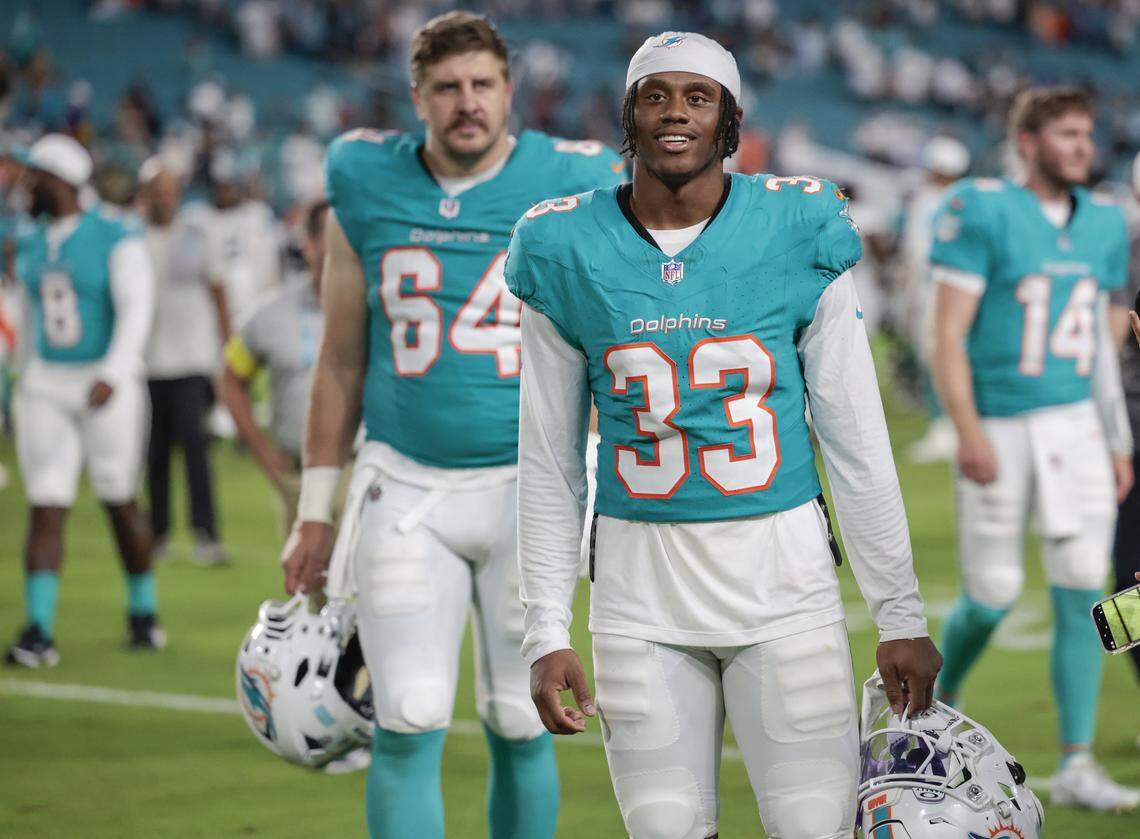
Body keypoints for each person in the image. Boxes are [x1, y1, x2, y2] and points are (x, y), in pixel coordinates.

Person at [507, 32, 940, 838]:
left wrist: (899, 612)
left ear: (730, 121)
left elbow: (855, 438)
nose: (676, 112)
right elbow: (549, 460)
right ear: (629, 116)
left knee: (814, 831)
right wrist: (544, 627)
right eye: (656, 94)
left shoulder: (795, 224)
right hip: (639, 598)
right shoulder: (561, 244)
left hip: (786, 591)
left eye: (697, 96)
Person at [279, 12, 625, 838]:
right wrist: (314, 509)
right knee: (407, 710)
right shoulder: (363, 176)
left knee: (519, 716)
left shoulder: (574, 179)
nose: (467, 103)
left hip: (530, 488)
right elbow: (339, 359)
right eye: (447, 88)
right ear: (418, 97)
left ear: (510, 91)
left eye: (482, 84)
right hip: (405, 485)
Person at [930, 87, 1138, 810]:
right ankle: (932, 707)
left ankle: (1078, 760)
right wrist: (966, 426)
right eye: (1068, 134)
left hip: (1076, 425)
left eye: (1088, 133)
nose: (1083, 146)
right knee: (990, 594)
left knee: (1086, 583)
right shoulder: (982, 208)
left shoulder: (1107, 222)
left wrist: (1114, 435)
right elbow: (948, 330)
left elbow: (1106, 344)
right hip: (1003, 422)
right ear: (1028, 143)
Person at [5, 134, 162, 668]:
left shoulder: (116, 234)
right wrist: (18, 379)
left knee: (119, 497)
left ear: (63, 181)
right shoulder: (30, 240)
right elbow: (24, 321)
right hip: (47, 381)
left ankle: (144, 611)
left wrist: (115, 372)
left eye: (36, 176)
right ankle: (39, 629)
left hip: (103, 381)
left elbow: (136, 309)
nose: (26, 185)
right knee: (46, 502)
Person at [137, 158, 229, 564]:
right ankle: (158, 534)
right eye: (159, 192)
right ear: (146, 196)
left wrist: (226, 351)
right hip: (147, 362)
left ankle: (205, 533)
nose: (165, 199)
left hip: (192, 359)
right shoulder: (132, 238)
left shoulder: (195, 236)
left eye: (171, 192)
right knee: (154, 453)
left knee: (195, 448)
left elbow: (218, 291)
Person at [218, 201, 329, 535]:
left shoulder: (380, 307)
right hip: (298, 474)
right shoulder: (269, 312)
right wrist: (264, 453)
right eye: (329, 237)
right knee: (309, 585)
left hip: (364, 473)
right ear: (307, 243)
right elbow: (230, 379)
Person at [903, 135, 971, 464]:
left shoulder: (933, 199)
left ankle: (946, 426)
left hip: (938, 289)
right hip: (947, 289)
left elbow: (918, 254)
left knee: (939, 356)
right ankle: (950, 425)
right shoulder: (964, 197)